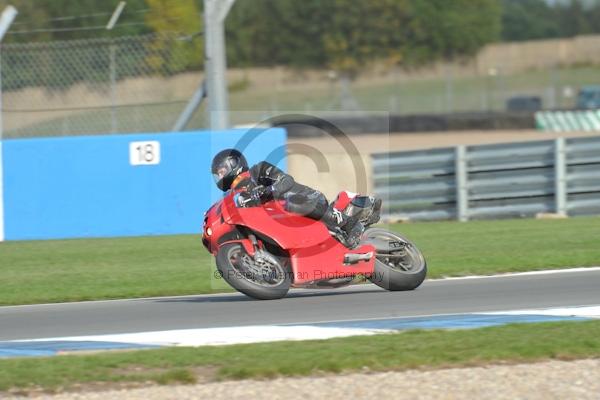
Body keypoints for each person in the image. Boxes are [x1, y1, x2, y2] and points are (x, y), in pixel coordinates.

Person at [211, 148, 371, 248]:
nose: (219, 176)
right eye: (217, 174)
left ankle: (348, 223)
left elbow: (286, 180)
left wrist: (268, 190)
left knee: (293, 203)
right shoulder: (236, 196)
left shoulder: (258, 170)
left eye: (222, 171)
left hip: (305, 198)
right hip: (285, 223)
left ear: (233, 164)